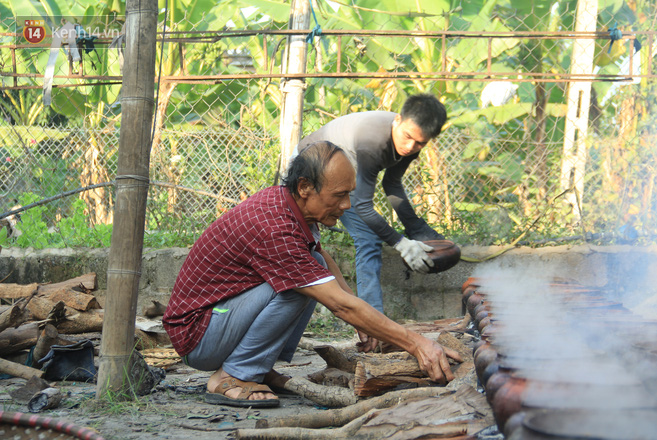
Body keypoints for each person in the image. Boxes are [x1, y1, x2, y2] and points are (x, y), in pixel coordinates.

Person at [162, 141, 462, 408]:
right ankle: (232, 375)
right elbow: (339, 304)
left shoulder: (289, 203)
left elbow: (322, 258)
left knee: (313, 264)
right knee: (299, 284)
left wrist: (364, 320)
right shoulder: (274, 227)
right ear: (305, 187)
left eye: (350, 195)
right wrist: (418, 343)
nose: (346, 205)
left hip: (218, 322)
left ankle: (255, 367)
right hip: (198, 336)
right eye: (339, 195)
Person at [296, 94, 452, 313]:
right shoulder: (373, 142)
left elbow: (392, 184)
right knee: (367, 238)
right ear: (397, 120)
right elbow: (362, 205)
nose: (410, 146)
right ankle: (372, 319)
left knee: (363, 236)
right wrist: (401, 243)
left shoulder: (410, 140)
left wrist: (417, 229)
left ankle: (369, 318)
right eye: (407, 137)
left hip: (341, 172)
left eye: (420, 143)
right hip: (311, 167)